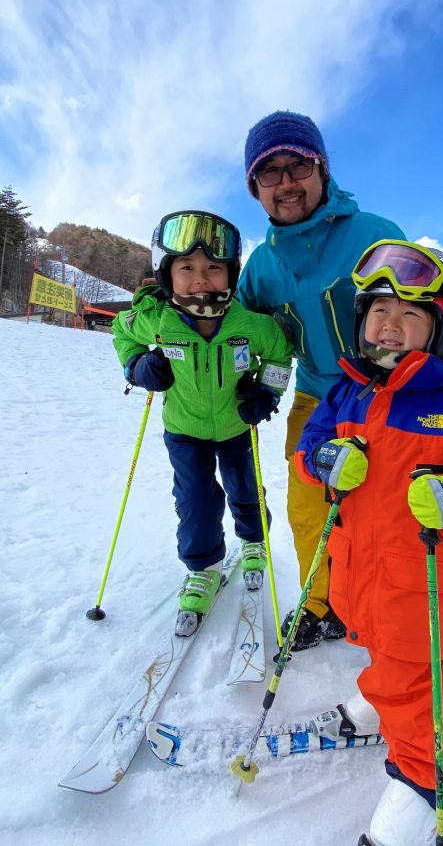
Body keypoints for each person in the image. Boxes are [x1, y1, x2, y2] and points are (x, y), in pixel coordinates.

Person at [237, 110, 443, 652]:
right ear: (254, 188)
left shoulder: (375, 234)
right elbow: (253, 336)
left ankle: (388, 613)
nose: (286, 183)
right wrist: (260, 383)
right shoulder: (261, 267)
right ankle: (324, 606)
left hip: (397, 395)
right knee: (309, 501)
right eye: (270, 172)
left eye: (298, 166)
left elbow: (424, 306)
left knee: (386, 510)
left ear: (323, 170)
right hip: (320, 393)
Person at [293, 240, 443, 846]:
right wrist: (323, 459)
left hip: (418, 569)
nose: (389, 326)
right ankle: (386, 703)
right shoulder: (347, 390)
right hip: (356, 561)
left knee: (411, 662)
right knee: (375, 642)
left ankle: (435, 782)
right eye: (378, 312)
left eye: (409, 315)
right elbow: (306, 445)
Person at [112, 210, 293, 636]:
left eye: (213, 268)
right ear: (167, 274)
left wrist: (267, 392)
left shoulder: (249, 324)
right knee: (195, 501)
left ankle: (253, 540)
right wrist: (138, 367)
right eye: (187, 268)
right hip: (185, 428)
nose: (201, 279)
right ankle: (203, 567)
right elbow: (122, 333)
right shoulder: (158, 319)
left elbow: (282, 353)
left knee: (245, 488)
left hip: (235, 427)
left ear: (230, 273)